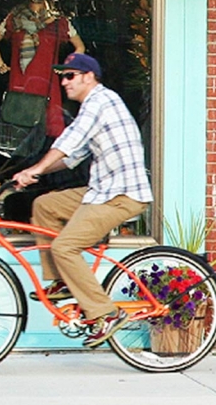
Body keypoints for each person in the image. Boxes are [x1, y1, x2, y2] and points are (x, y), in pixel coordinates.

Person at [11, 53, 152, 348]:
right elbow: (71, 158)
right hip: (102, 190)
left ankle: (105, 313)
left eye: (70, 75)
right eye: (62, 76)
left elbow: (68, 142)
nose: (63, 82)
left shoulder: (100, 102)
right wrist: (33, 172)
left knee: (65, 246)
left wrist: (34, 170)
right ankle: (62, 281)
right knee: (44, 206)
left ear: (89, 77)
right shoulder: (95, 106)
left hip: (122, 195)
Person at [0, 0, 86, 136]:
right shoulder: (14, 18)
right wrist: (0, 64)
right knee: (17, 127)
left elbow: (80, 46)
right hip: (20, 81)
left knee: (47, 128)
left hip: (46, 81)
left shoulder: (58, 22)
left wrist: (67, 68)